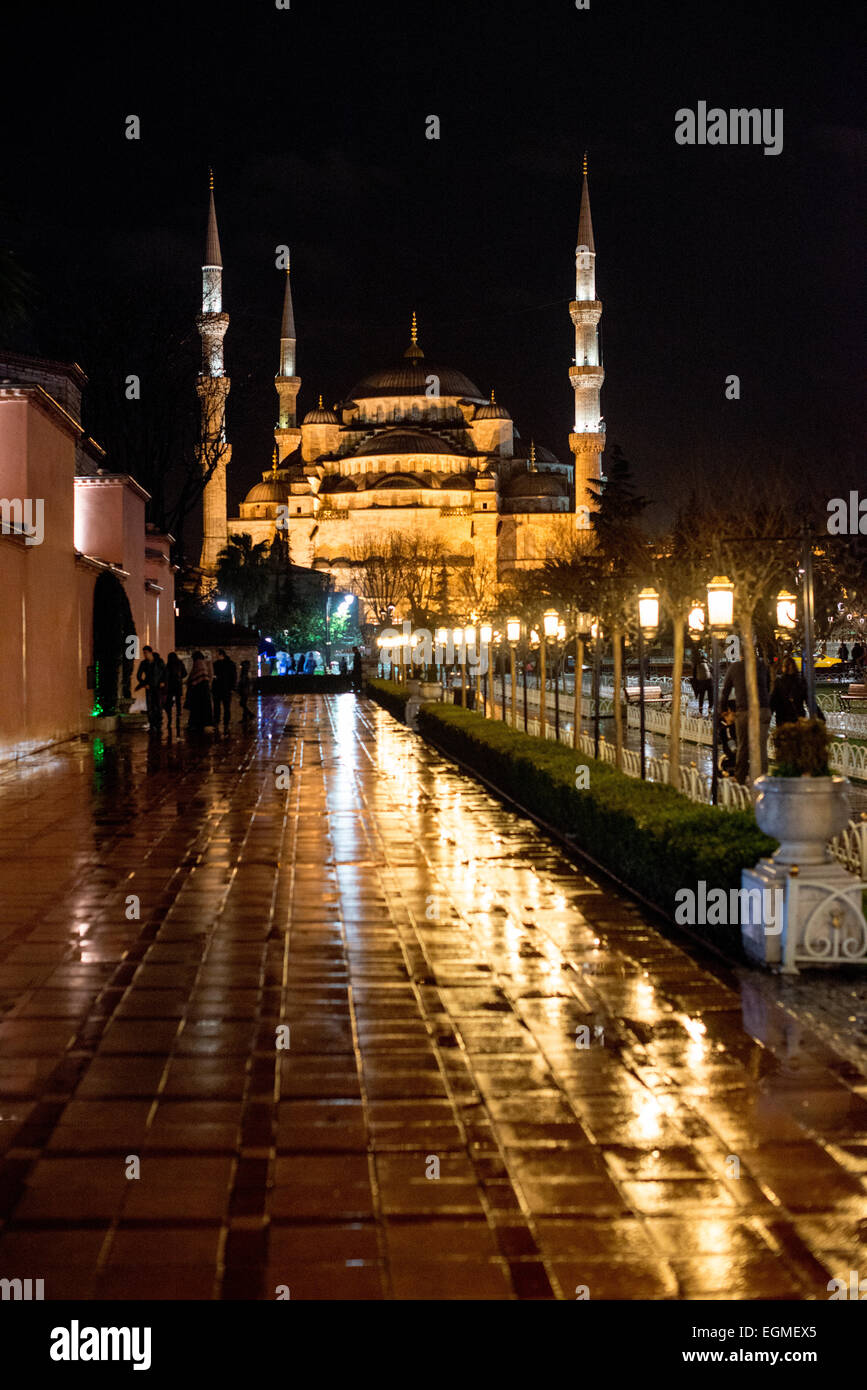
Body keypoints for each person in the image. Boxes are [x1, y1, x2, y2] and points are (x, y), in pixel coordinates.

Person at [720, 651, 771, 784]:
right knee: (761, 747)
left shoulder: (735, 667)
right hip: (763, 709)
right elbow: (769, 686)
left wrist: (723, 710)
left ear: (741, 656)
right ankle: (763, 779)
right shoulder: (762, 666)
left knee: (743, 746)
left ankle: (740, 777)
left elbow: (725, 691)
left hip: (744, 710)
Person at [135, 645, 166, 734]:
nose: (145, 655)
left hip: (158, 687)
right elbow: (138, 675)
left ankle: (158, 724)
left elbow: (165, 672)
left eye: (146, 653)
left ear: (150, 653)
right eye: (143, 653)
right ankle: (152, 725)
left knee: (158, 705)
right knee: (150, 706)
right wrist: (144, 684)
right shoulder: (144, 663)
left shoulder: (159, 661)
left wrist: (163, 682)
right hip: (149, 687)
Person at [770, 655, 808, 727]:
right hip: (798, 717)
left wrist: (769, 714)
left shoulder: (779, 681)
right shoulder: (801, 681)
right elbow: (808, 699)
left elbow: (773, 701)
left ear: (784, 668)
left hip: (782, 718)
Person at [185, 650, 213, 730]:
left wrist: (190, 682)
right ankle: (202, 723)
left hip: (199, 690)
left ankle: (197, 724)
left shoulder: (198, 663)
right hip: (204, 689)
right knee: (203, 707)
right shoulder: (203, 663)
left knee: (197, 708)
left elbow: (194, 676)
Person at [212, 647, 237, 730]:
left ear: (220, 654)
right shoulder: (219, 664)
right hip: (222, 688)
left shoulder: (226, 664)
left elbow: (233, 676)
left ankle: (222, 720)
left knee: (223, 706)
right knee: (222, 706)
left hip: (223, 688)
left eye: (216, 654)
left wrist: (232, 687)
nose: (215, 656)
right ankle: (221, 720)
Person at [163, 652, 186, 736]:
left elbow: (166, 675)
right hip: (178, 684)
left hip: (170, 686)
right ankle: (178, 714)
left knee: (169, 700)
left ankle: (169, 716)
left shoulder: (168, 664)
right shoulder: (180, 663)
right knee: (178, 700)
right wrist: (180, 678)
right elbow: (185, 673)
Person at [717, 700, 737, 778]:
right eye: (733, 715)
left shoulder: (733, 727)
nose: (734, 717)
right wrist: (734, 750)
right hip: (731, 751)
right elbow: (729, 740)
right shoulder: (726, 728)